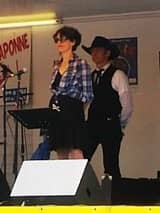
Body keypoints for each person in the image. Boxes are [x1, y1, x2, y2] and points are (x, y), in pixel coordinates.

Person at [82, 36, 133, 178]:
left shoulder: (117, 74)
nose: (94, 54)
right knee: (81, 159)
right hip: (92, 124)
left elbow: (127, 104)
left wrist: (118, 123)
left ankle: (115, 198)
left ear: (107, 53)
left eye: (98, 50)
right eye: (92, 51)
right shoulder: (92, 76)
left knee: (110, 165)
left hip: (110, 124)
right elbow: (86, 100)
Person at [48, 26, 94, 159]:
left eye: (63, 40)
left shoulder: (81, 64)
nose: (59, 43)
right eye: (56, 40)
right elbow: (54, 88)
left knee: (76, 150)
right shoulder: (57, 65)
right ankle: (63, 179)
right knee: (60, 149)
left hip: (72, 110)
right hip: (57, 110)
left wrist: (77, 109)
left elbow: (88, 94)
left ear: (73, 42)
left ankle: (79, 178)